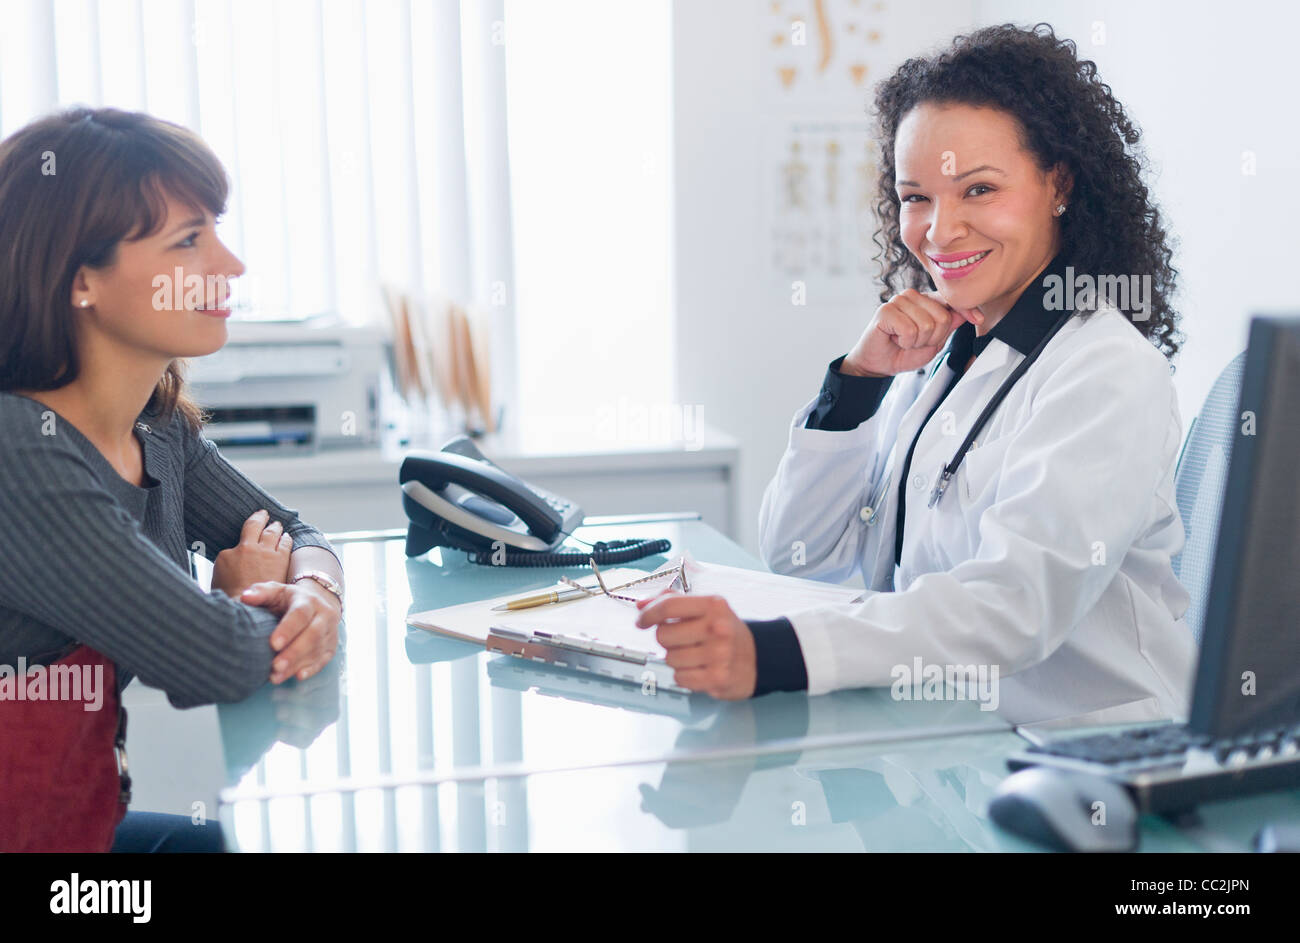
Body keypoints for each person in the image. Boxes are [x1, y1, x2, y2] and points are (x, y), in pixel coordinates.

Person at [635, 23, 1195, 727]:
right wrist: (860, 381)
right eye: (916, 196)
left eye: (978, 189)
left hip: (1092, 758)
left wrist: (780, 653)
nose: (938, 231)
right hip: (943, 739)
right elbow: (799, 555)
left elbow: (1011, 607)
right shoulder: (943, 356)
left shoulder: (1108, 372)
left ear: (1059, 184)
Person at [0, 107, 345, 852]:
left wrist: (316, 591)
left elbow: (302, 532)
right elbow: (211, 659)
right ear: (80, 279)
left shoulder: (157, 426)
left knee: (211, 844)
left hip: (76, 826)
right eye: (188, 241)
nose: (231, 266)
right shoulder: (18, 451)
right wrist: (230, 605)